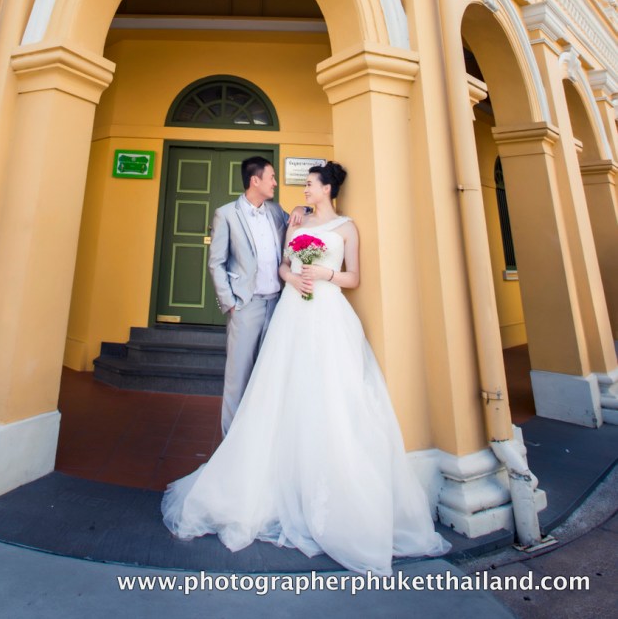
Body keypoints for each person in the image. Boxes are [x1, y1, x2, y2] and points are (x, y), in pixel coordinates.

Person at [162, 161, 451, 574]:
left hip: (328, 314)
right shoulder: (293, 221)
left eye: (310, 184)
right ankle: (246, 465)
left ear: (327, 188)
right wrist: (292, 277)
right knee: (270, 388)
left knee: (329, 393)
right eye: (300, 185)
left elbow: (354, 277)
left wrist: (326, 273)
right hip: (291, 310)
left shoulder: (346, 228)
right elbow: (281, 265)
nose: (303, 190)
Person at [207, 155, 305, 435]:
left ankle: (259, 438)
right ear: (255, 180)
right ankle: (230, 443)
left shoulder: (275, 211)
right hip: (246, 306)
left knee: (268, 375)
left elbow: (299, 224)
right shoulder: (226, 214)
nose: (275, 183)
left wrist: (301, 207)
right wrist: (231, 303)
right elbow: (216, 263)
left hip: (277, 304)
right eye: (271, 177)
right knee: (237, 378)